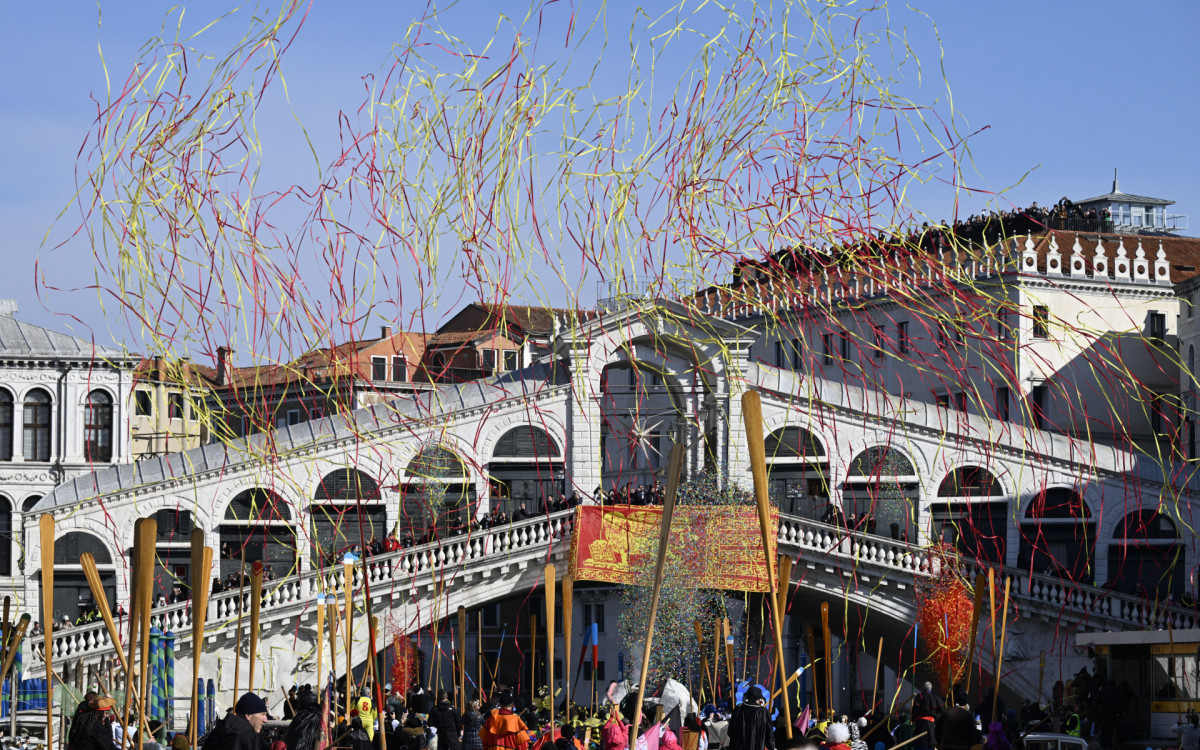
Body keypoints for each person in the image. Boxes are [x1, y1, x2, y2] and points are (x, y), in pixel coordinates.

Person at [202, 692, 270, 750]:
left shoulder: (216, 733)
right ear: (248, 715)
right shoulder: (250, 738)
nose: (265, 720)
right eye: (262, 714)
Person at [729, 686, 774, 750]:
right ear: (759, 699)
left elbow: (731, 730)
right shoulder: (764, 712)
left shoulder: (738, 709)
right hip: (757, 746)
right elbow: (769, 733)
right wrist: (771, 746)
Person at [283, 686, 322, 750]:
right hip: (315, 718)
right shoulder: (315, 697)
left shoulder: (299, 718)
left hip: (303, 717)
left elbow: (298, 707)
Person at [910, 683, 942, 750]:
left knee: (920, 745)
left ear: (923, 688)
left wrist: (913, 720)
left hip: (920, 724)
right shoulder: (935, 697)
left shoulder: (919, 696)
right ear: (931, 688)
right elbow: (942, 710)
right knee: (930, 744)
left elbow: (914, 710)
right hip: (929, 725)